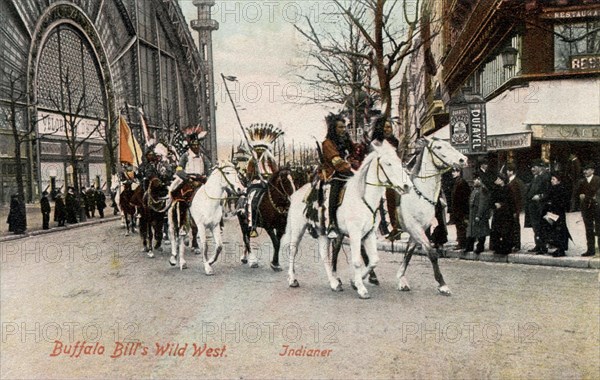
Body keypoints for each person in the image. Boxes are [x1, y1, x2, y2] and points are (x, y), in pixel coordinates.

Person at [245, 123, 283, 237]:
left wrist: (270, 178)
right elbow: (248, 174)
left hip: (270, 183)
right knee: (251, 199)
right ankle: (252, 225)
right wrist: (256, 177)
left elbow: (276, 172)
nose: (260, 151)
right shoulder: (252, 160)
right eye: (258, 149)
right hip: (256, 184)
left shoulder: (271, 159)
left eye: (262, 149)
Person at [322, 113, 356, 239]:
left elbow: (354, 154)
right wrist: (351, 167)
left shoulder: (347, 141)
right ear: (333, 129)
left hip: (350, 173)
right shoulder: (327, 143)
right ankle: (331, 223)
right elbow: (336, 162)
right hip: (335, 173)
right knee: (335, 190)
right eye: (340, 127)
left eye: (344, 127)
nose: (343, 130)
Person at [370, 115, 402, 240]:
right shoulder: (376, 143)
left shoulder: (395, 142)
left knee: (394, 200)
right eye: (384, 127)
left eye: (389, 127)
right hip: (378, 175)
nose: (387, 130)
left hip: (392, 175)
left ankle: (395, 227)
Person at [168, 125, 211, 196]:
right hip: (188, 181)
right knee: (175, 193)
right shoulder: (185, 156)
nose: (196, 147)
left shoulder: (203, 157)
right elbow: (179, 170)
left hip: (201, 181)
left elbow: (210, 168)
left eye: (197, 145)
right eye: (194, 145)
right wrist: (188, 179)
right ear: (190, 146)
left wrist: (207, 177)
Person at [541, 173, 572, 257]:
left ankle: (561, 249)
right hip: (551, 212)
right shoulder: (551, 188)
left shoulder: (562, 189)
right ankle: (555, 247)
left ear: (559, 180)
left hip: (558, 213)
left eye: (553, 179)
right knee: (552, 230)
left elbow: (564, 202)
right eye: (551, 179)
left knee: (560, 230)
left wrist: (552, 203)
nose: (551, 181)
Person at [525, 159, 550, 253]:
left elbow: (548, 192)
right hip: (533, 206)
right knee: (535, 227)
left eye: (534, 167)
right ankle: (538, 245)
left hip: (540, 206)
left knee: (541, 227)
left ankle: (543, 247)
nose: (532, 169)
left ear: (540, 167)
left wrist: (540, 196)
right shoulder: (536, 177)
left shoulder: (545, 177)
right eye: (532, 167)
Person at [574, 162, 600, 256]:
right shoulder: (581, 182)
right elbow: (576, 194)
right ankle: (590, 249)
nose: (585, 172)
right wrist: (580, 196)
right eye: (584, 170)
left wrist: (588, 196)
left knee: (598, 228)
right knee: (588, 229)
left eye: (587, 169)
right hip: (586, 208)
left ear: (592, 170)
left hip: (597, 207)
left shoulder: (597, 179)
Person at [489, 173, 516, 255]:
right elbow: (491, 200)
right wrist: (494, 204)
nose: (496, 181)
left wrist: (502, 205)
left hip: (506, 214)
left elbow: (511, 201)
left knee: (505, 231)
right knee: (497, 231)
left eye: (498, 179)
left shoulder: (508, 188)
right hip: (497, 214)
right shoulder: (495, 189)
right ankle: (497, 248)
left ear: (502, 180)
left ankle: (506, 248)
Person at [464, 174, 491, 254]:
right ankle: (469, 247)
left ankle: (480, 247)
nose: (475, 181)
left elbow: (482, 204)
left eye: (477, 179)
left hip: (479, 214)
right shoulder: (475, 189)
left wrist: (478, 215)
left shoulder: (482, 190)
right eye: (474, 179)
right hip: (473, 213)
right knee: (472, 231)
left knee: (481, 232)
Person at [450, 166, 471, 250]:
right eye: (452, 171)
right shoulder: (456, 182)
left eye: (455, 171)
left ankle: (462, 243)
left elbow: (465, 197)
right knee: (459, 226)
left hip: (461, 210)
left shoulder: (462, 182)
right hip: (457, 209)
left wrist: (464, 211)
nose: (453, 173)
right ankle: (461, 242)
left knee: (461, 226)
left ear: (459, 172)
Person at [506, 164, 525, 252]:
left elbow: (519, 196)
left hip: (515, 208)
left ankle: (517, 244)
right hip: (510, 208)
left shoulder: (516, 182)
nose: (507, 172)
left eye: (508, 171)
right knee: (511, 226)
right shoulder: (510, 181)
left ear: (511, 172)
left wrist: (518, 209)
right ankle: (513, 243)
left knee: (516, 226)